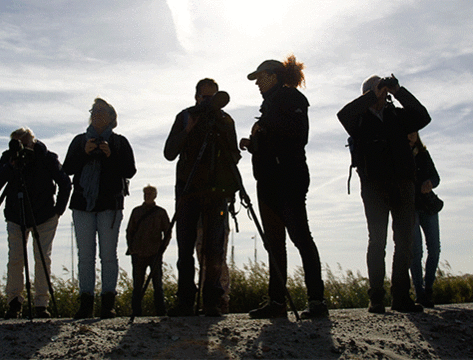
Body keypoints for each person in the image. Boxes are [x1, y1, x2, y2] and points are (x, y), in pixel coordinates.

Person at [240, 55, 328, 319]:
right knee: (275, 242)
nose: (257, 84)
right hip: (268, 180)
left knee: (300, 236)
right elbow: (276, 140)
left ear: (273, 76)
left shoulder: (292, 98)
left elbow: (299, 135)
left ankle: (316, 301)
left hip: (288, 178)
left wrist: (265, 126)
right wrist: (253, 143)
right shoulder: (269, 104)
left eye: (260, 78)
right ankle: (277, 302)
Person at [337, 74, 431, 313]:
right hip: (374, 186)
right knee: (377, 242)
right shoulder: (358, 121)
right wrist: (371, 95)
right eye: (380, 90)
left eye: (384, 90)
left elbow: (423, 116)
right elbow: (342, 115)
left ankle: (400, 297)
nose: (383, 94)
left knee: (405, 242)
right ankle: (376, 297)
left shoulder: (397, 116)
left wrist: (398, 90)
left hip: (403, 184)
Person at [164, 78, 241, 317]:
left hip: (216, 191)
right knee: (185, 249)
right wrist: (189, 130)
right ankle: (185, 301)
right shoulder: (185, 117)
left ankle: (212, 301)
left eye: (212, 97)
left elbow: (234, 156)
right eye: (204, 97)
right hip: (188, 191)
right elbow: (169, 153)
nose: (208, 102)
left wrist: (220, 127)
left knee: (214, 249)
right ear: (196, 96)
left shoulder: (225, 120)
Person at [64, 98, 136, 319]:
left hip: (110, 206)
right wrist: (83, 153)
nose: (96, 114)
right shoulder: (78, 141)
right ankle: (85, 304)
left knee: (108, 255)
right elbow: (67, 169)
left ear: (111, 117)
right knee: (85, 256)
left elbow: (130, 171)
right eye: (94, 110)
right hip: (83, 205)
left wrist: (110, 155)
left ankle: (108, 304)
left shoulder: (120, 142)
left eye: (101, 110)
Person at [0, 127, 71, 319]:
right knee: (16, 259)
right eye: (17, 143)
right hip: (16, 215)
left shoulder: (46, 157)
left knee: (42, 259)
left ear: (32, 141)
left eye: (24, 143)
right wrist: (10, 165)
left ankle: (41, 304)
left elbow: (65, 183)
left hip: (44, 216)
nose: (22, 147)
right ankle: (14, 302)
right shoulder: (9, 158)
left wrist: (58, 211)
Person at [408, 131, 442, 308]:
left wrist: (430, 183)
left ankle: (428, 288)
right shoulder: (400, 153)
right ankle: (419, 293)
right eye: (408, 132)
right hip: (411, 206)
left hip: (428, 205)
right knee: (416, 251)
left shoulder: (424, 154)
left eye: (414, 132)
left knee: (435, 249)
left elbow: (436, 177)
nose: (411, 135)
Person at [126, 185, 170, 316]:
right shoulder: (136, 211)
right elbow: (129, 231)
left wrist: (162, 248)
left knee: (158, 284)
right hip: (138, 253)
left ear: (155, 195)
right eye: (145, 193)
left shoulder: (160, 212)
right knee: (137, 285)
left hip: (155, 253)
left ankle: (161, 312)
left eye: (150, 193)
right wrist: (132, 247)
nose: (147, 195)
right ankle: (136, 312)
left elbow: (167, 232)